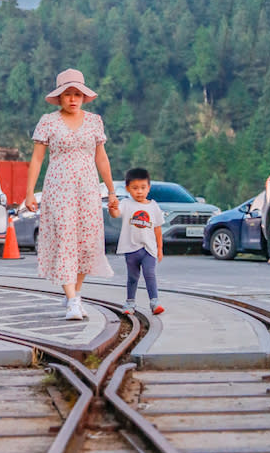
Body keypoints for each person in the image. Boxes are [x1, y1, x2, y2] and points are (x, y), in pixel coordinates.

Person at [24, 68, 118, 319]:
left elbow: (102, 159)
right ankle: (73, 300)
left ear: (84, 96)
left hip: (87, 189)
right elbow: (36, 159)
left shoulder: (95, 121)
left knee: (86, 243)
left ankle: (74, 295)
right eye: (68, 94)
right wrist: (30, 192)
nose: (73, 99)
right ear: (59, 98)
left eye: (77, 94)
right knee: (64, 239)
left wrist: (111, 191)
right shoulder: (48, 121)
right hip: (58, 189)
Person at [113, 167, 165, 315]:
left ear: (149, 187)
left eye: (143, 188)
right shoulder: (126, 204)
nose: (139, 191)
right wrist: (113, 207)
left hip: (149, 249)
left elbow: (157, 229)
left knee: (150, 274)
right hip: (131, 249)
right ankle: (130, 303)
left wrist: (160, 248)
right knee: (133, 277)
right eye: (135, 188)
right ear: (128, 188)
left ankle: (154, 302)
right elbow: (116, 214)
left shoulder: (154, 206)